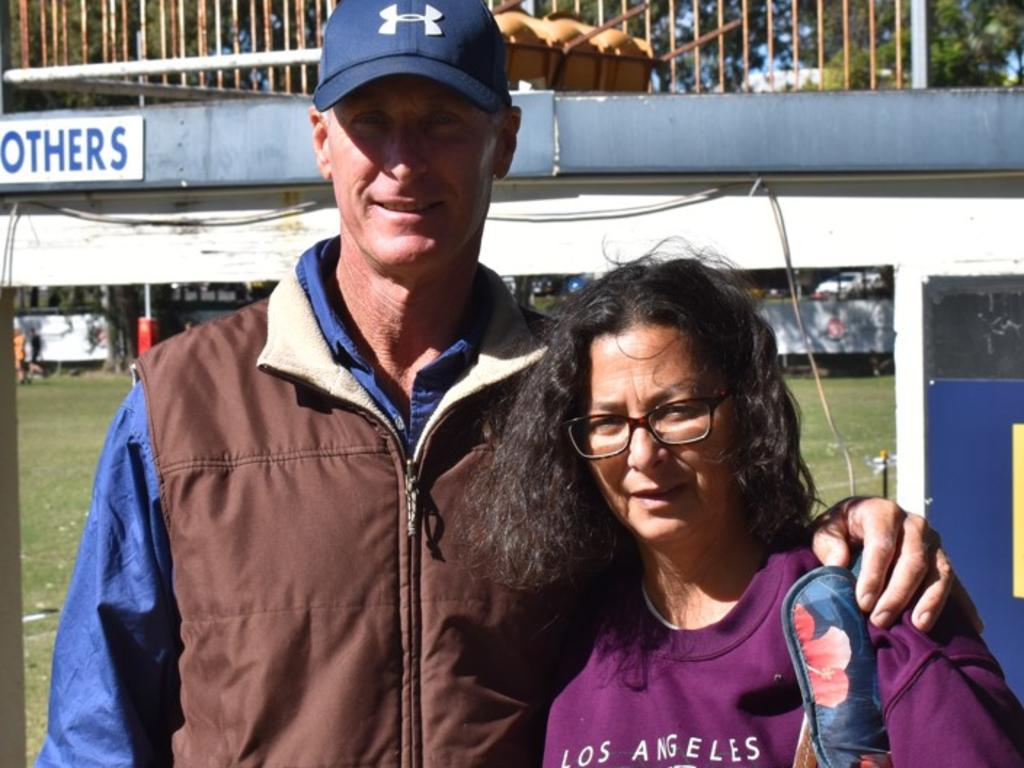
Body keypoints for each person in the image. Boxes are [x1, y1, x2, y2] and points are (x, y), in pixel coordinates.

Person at [38, 2, 957, 765]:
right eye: (372, 122)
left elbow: (709, 555)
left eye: (442, 121)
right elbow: (96, 729)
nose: (404, 161)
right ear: (322, 141)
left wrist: (847, 535)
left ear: (503, 142)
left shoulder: (574, 399)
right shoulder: (181, 401)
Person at [467, 254, 1024, 766]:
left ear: (749, 412)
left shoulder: (876, 608)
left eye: (679, 410)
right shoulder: (563, 626)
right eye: (607, 423)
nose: (643, 455)